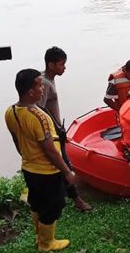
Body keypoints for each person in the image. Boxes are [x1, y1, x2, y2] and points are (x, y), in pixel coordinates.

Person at [4, 69, 74, 252]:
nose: (43, 88)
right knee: (53, 205)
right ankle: (46, 243)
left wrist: (28, 156)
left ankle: (39, 236)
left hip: (28, 168)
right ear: (30, 92)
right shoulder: (40, 117)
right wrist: (66, 170)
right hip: (47, 172)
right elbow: (50, 150)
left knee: (37, 202)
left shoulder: (10, 112)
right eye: (39, 85)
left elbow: (16, 140)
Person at [38, 46, 92, 213]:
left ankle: (68, 196)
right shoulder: (44, 83)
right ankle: (77, 200)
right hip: (52, 133)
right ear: (51, 64)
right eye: (61, 64)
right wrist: (56, 129)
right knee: (65, 164)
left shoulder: (45, 78)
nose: (64, 67)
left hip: (56, 130)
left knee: (60, 164)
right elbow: (40, 109)